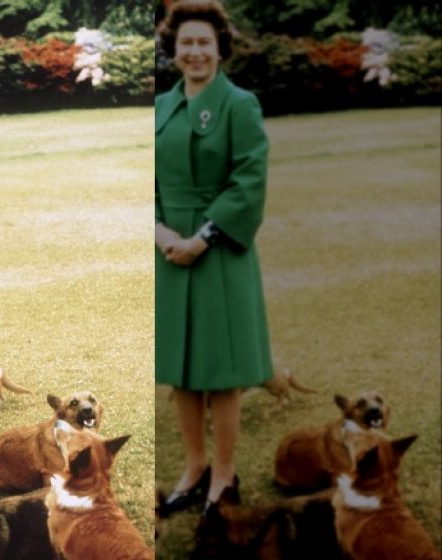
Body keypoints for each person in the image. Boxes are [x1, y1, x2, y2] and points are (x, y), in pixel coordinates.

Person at [154, 0, 273, 517]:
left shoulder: (239, 104)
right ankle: (196, 467)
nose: (196, 51)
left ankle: (224, 475)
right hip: (168, 250)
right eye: (187, 43)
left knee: (221, 371)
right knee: (182, 368)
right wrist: (159, 231)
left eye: (205, 42)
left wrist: (201, 237)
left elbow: (249, 181)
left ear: (219, 47)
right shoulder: (160, 107)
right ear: (174, 49)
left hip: (219, 250)